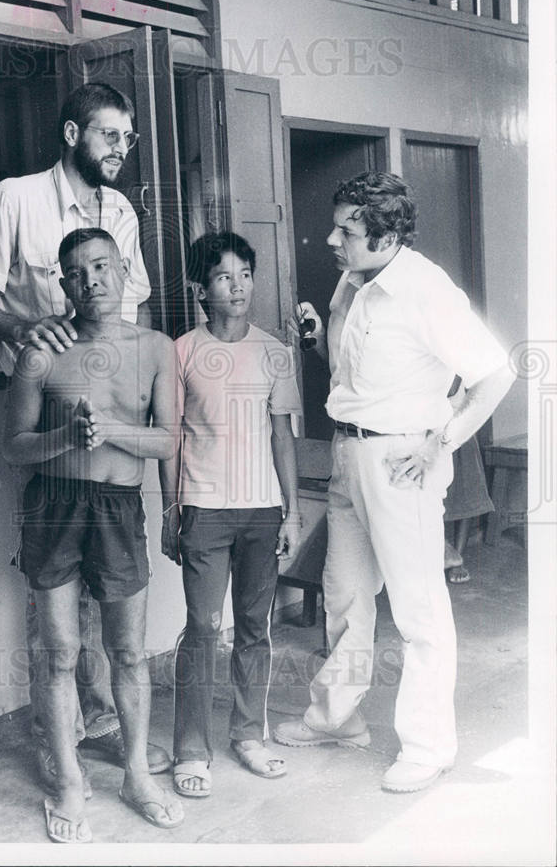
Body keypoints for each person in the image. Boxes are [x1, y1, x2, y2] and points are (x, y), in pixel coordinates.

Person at [0, 83, 170, 791]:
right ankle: (62, 743)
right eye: (110, 135)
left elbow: (124, 311)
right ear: (73, 132)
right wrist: (21, 329)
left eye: (128, 139)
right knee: (55, 604)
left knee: (112, 605)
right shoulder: (16, 198)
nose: (121, 149)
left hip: (103, 409)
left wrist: (124, 404)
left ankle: (105, 723)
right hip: (39, 398)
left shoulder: (122, 212)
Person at [273, 172, 514, 794]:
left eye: (345, 230)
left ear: (386, 235)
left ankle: (430, 746)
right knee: (347, 594)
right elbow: (357, 377)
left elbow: (495, 374)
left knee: (417, 609)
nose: (330, 238)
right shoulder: (352, 282)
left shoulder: (428, 291)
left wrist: (442, 441)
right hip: (348, 453)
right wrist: (318, 340)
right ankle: (336, 719)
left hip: (403, 461)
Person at [3, 228, 183, 842]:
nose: (91, 281)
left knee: (128, 651)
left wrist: (109, 431)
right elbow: (13, 445)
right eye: (76, 273)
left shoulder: (156, 348)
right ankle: (70, 785)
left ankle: (136, 775)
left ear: (123, 267)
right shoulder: (42, 349)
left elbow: (168, 440)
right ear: (64, 282)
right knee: (59, 652)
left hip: (117, 505)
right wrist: (66, 438)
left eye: (101, 266)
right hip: (53, 505)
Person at [160, 232, 303, 800]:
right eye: (224, 276)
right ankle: (191, 750)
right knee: (201, 628)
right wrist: (172, 508)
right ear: (202, 287)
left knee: (254, 628)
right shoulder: (181, 351)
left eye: (245, 274)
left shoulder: (274, 352)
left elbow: (282, 436)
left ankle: (248, 734)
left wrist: (290, 513)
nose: (238, 286)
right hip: (204, 506)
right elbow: (170, 437)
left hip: (262, 509)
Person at [442, 378, 495, 584]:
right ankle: (443, 549)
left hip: (458, 432)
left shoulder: (458, 358)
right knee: (430, 498)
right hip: (429, 431)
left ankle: (458, 558)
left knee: (467, 494)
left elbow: (452, 389)